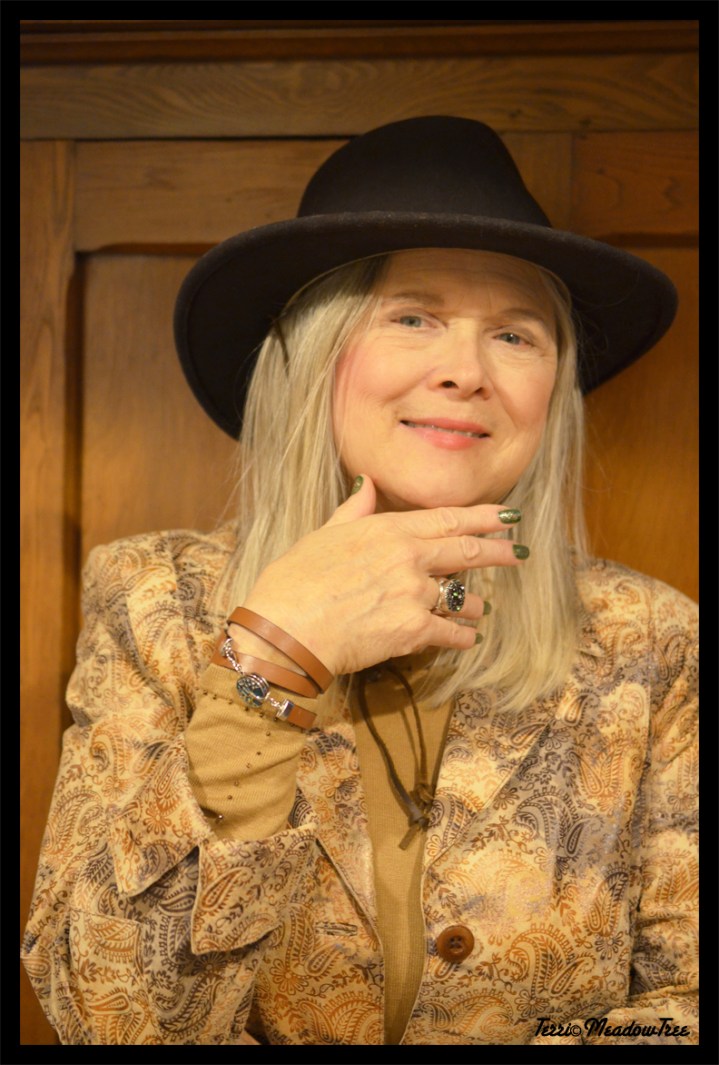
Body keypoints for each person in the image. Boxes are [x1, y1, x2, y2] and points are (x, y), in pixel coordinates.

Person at [22, 116, 697, 1046]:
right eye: (411, 317)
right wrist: (279, 653)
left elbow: (685, 1009)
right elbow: (109, 1017)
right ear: (313, 354)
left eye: (515, 334)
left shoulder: (651, 637)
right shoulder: (154, 600)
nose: (465, 371)